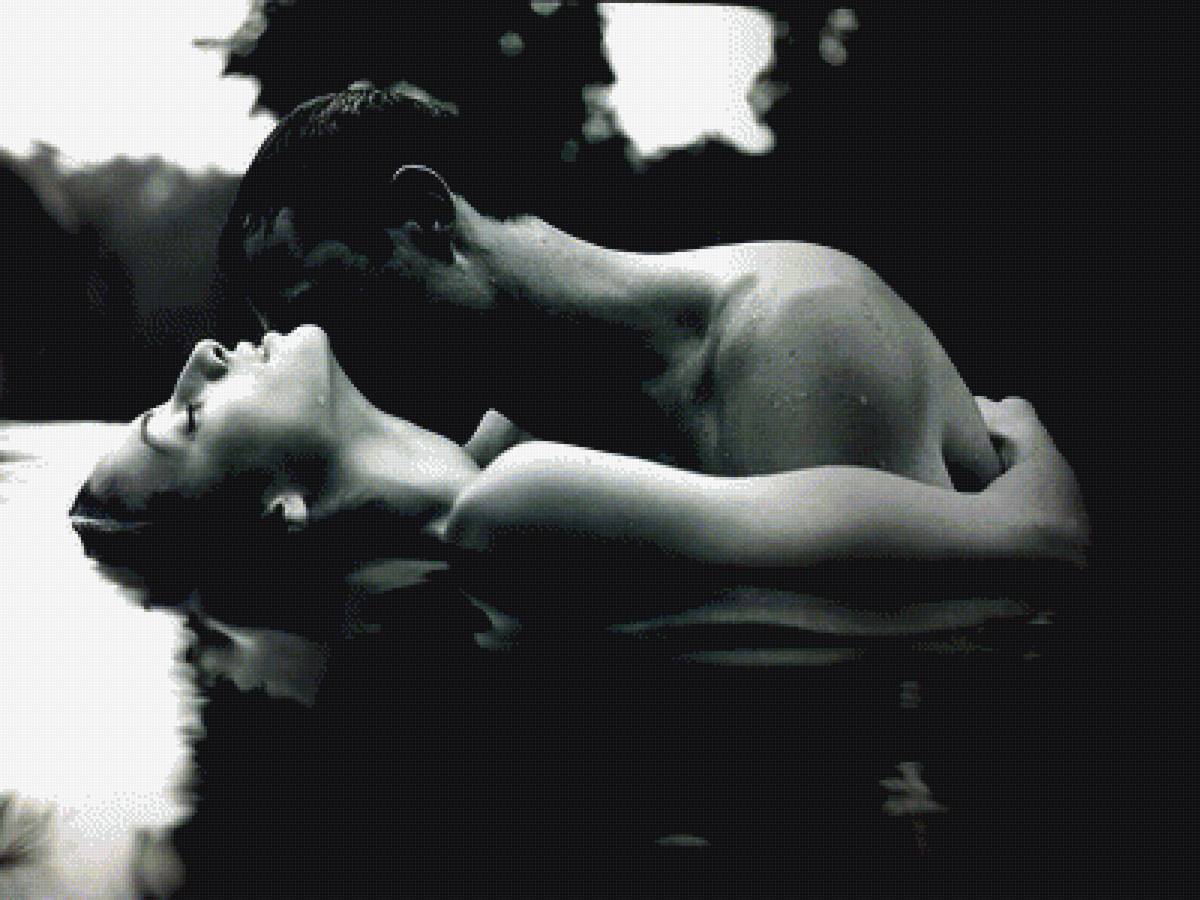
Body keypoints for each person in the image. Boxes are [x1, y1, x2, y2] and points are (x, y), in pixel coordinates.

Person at [70, 325, 1087, 580]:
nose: (197, 360)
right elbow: (1033, 543)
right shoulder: (512, 506)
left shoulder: (501, 454)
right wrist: (1032, 457)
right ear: (279, 511)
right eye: (185, 420)